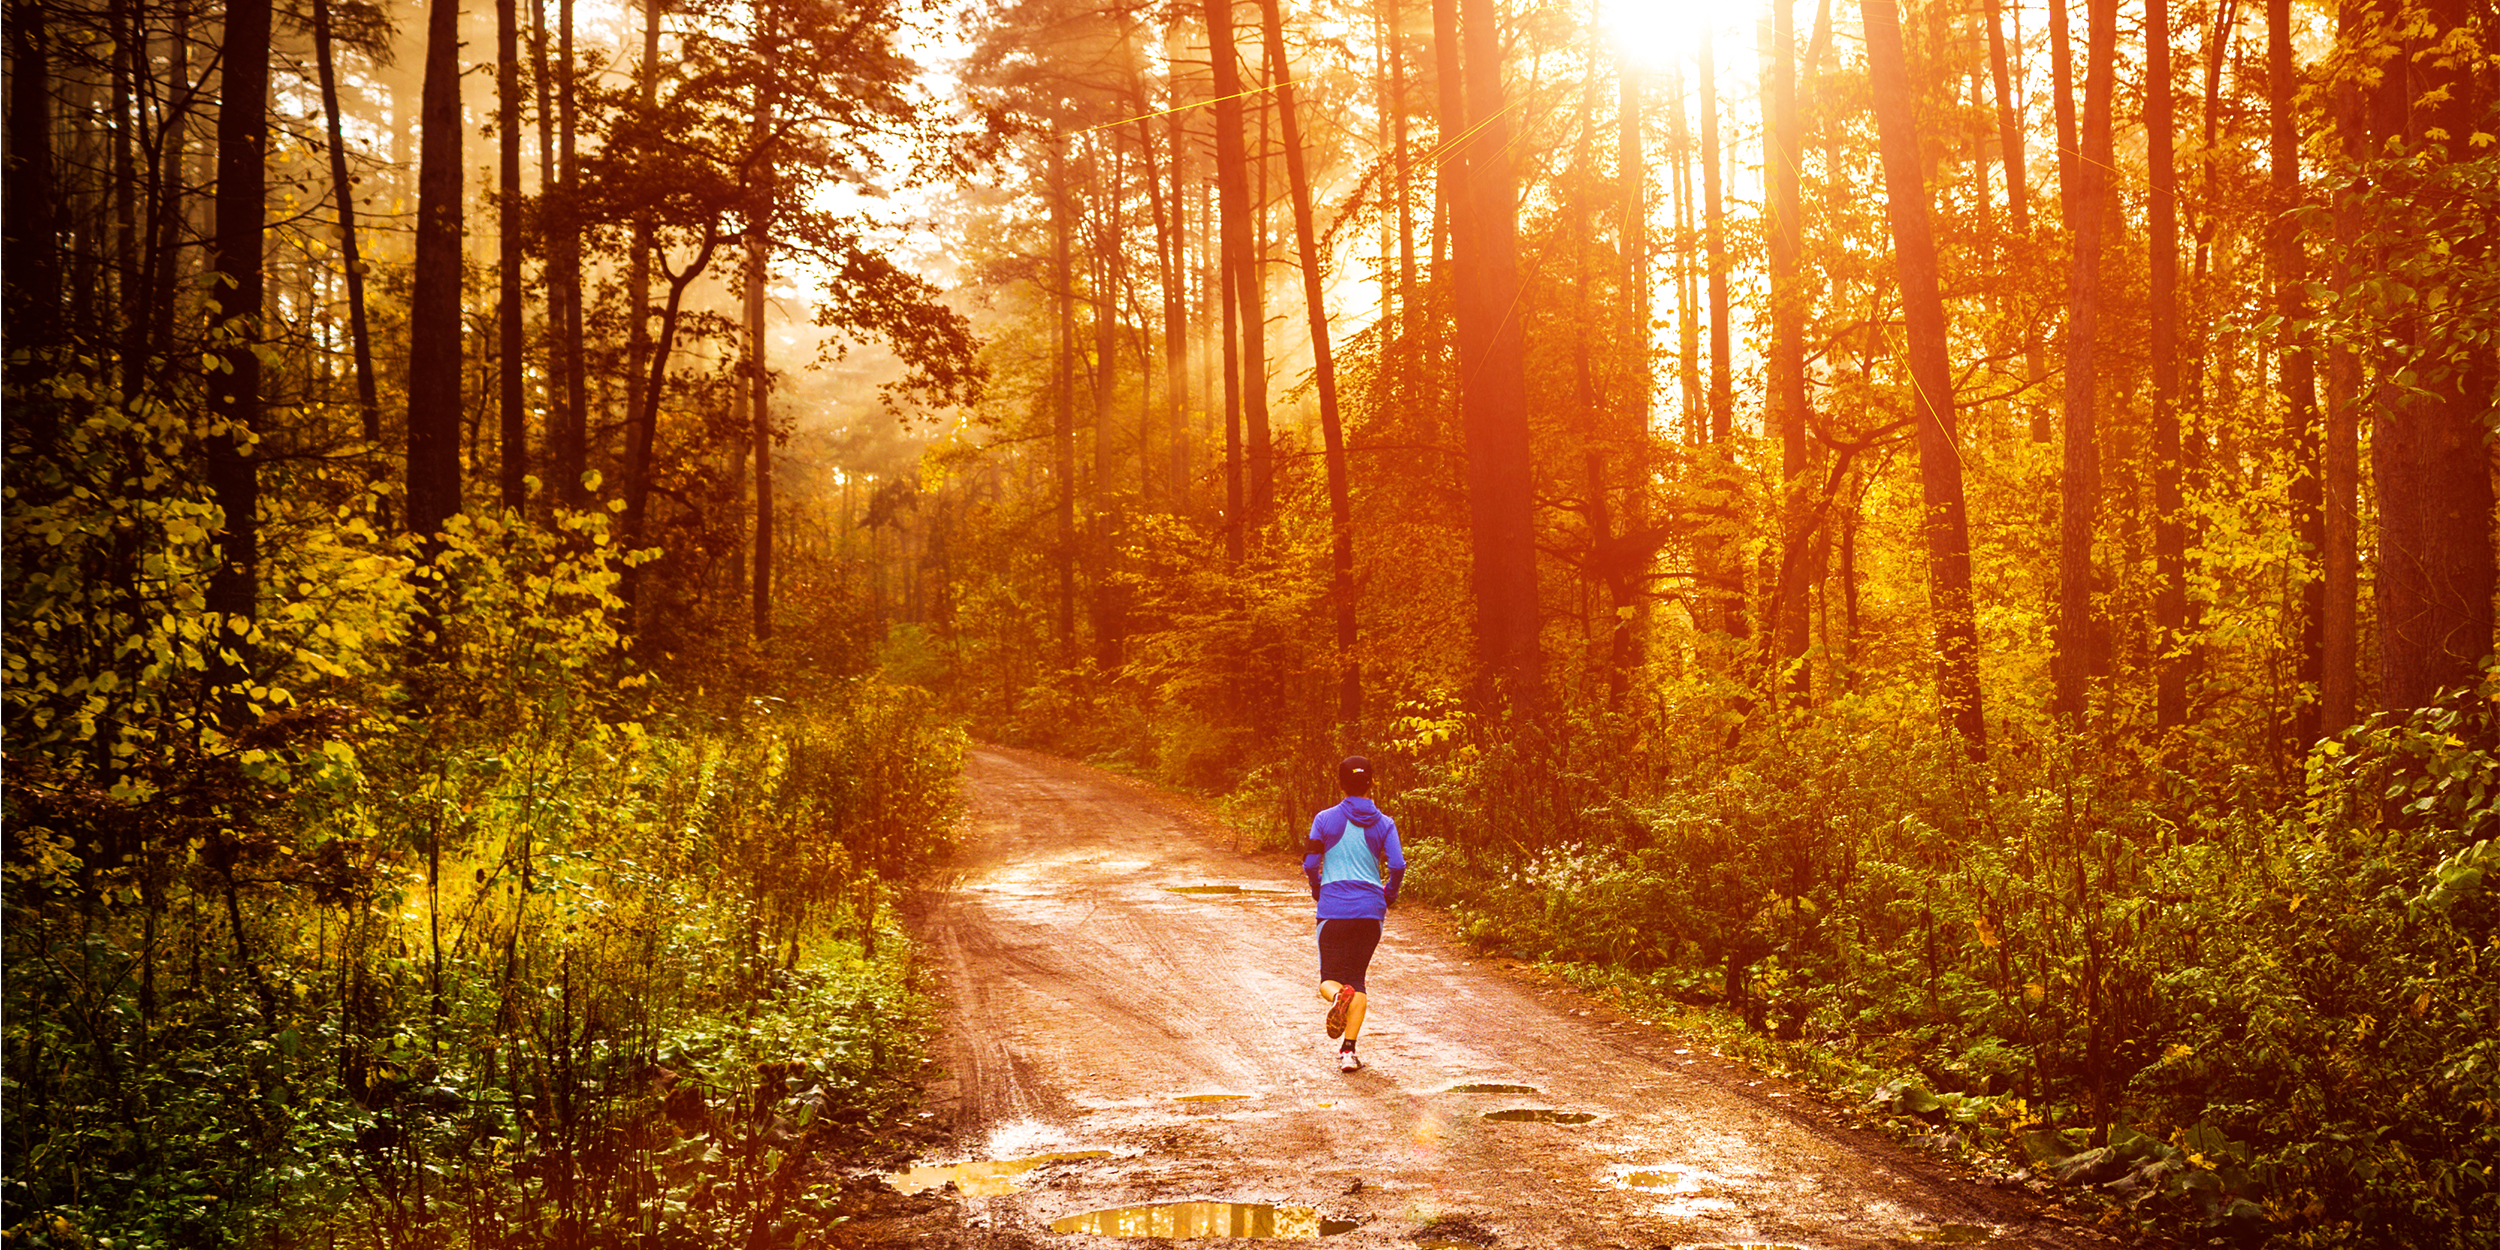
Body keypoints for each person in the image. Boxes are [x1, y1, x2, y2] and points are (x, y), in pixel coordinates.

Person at [1302, 754, 1405, 1072]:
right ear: (1371, 783)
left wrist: (1318, 888)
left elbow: (1309, 862)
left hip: (1334, 908)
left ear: (1340, 783)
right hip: (1370, 911)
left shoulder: (1323, 819)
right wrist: (1388, 895)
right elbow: (1398, 865)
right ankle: (1348, 1052)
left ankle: (1338, 996)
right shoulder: (1385, 823)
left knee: (1329, 980)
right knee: (1357, 981)